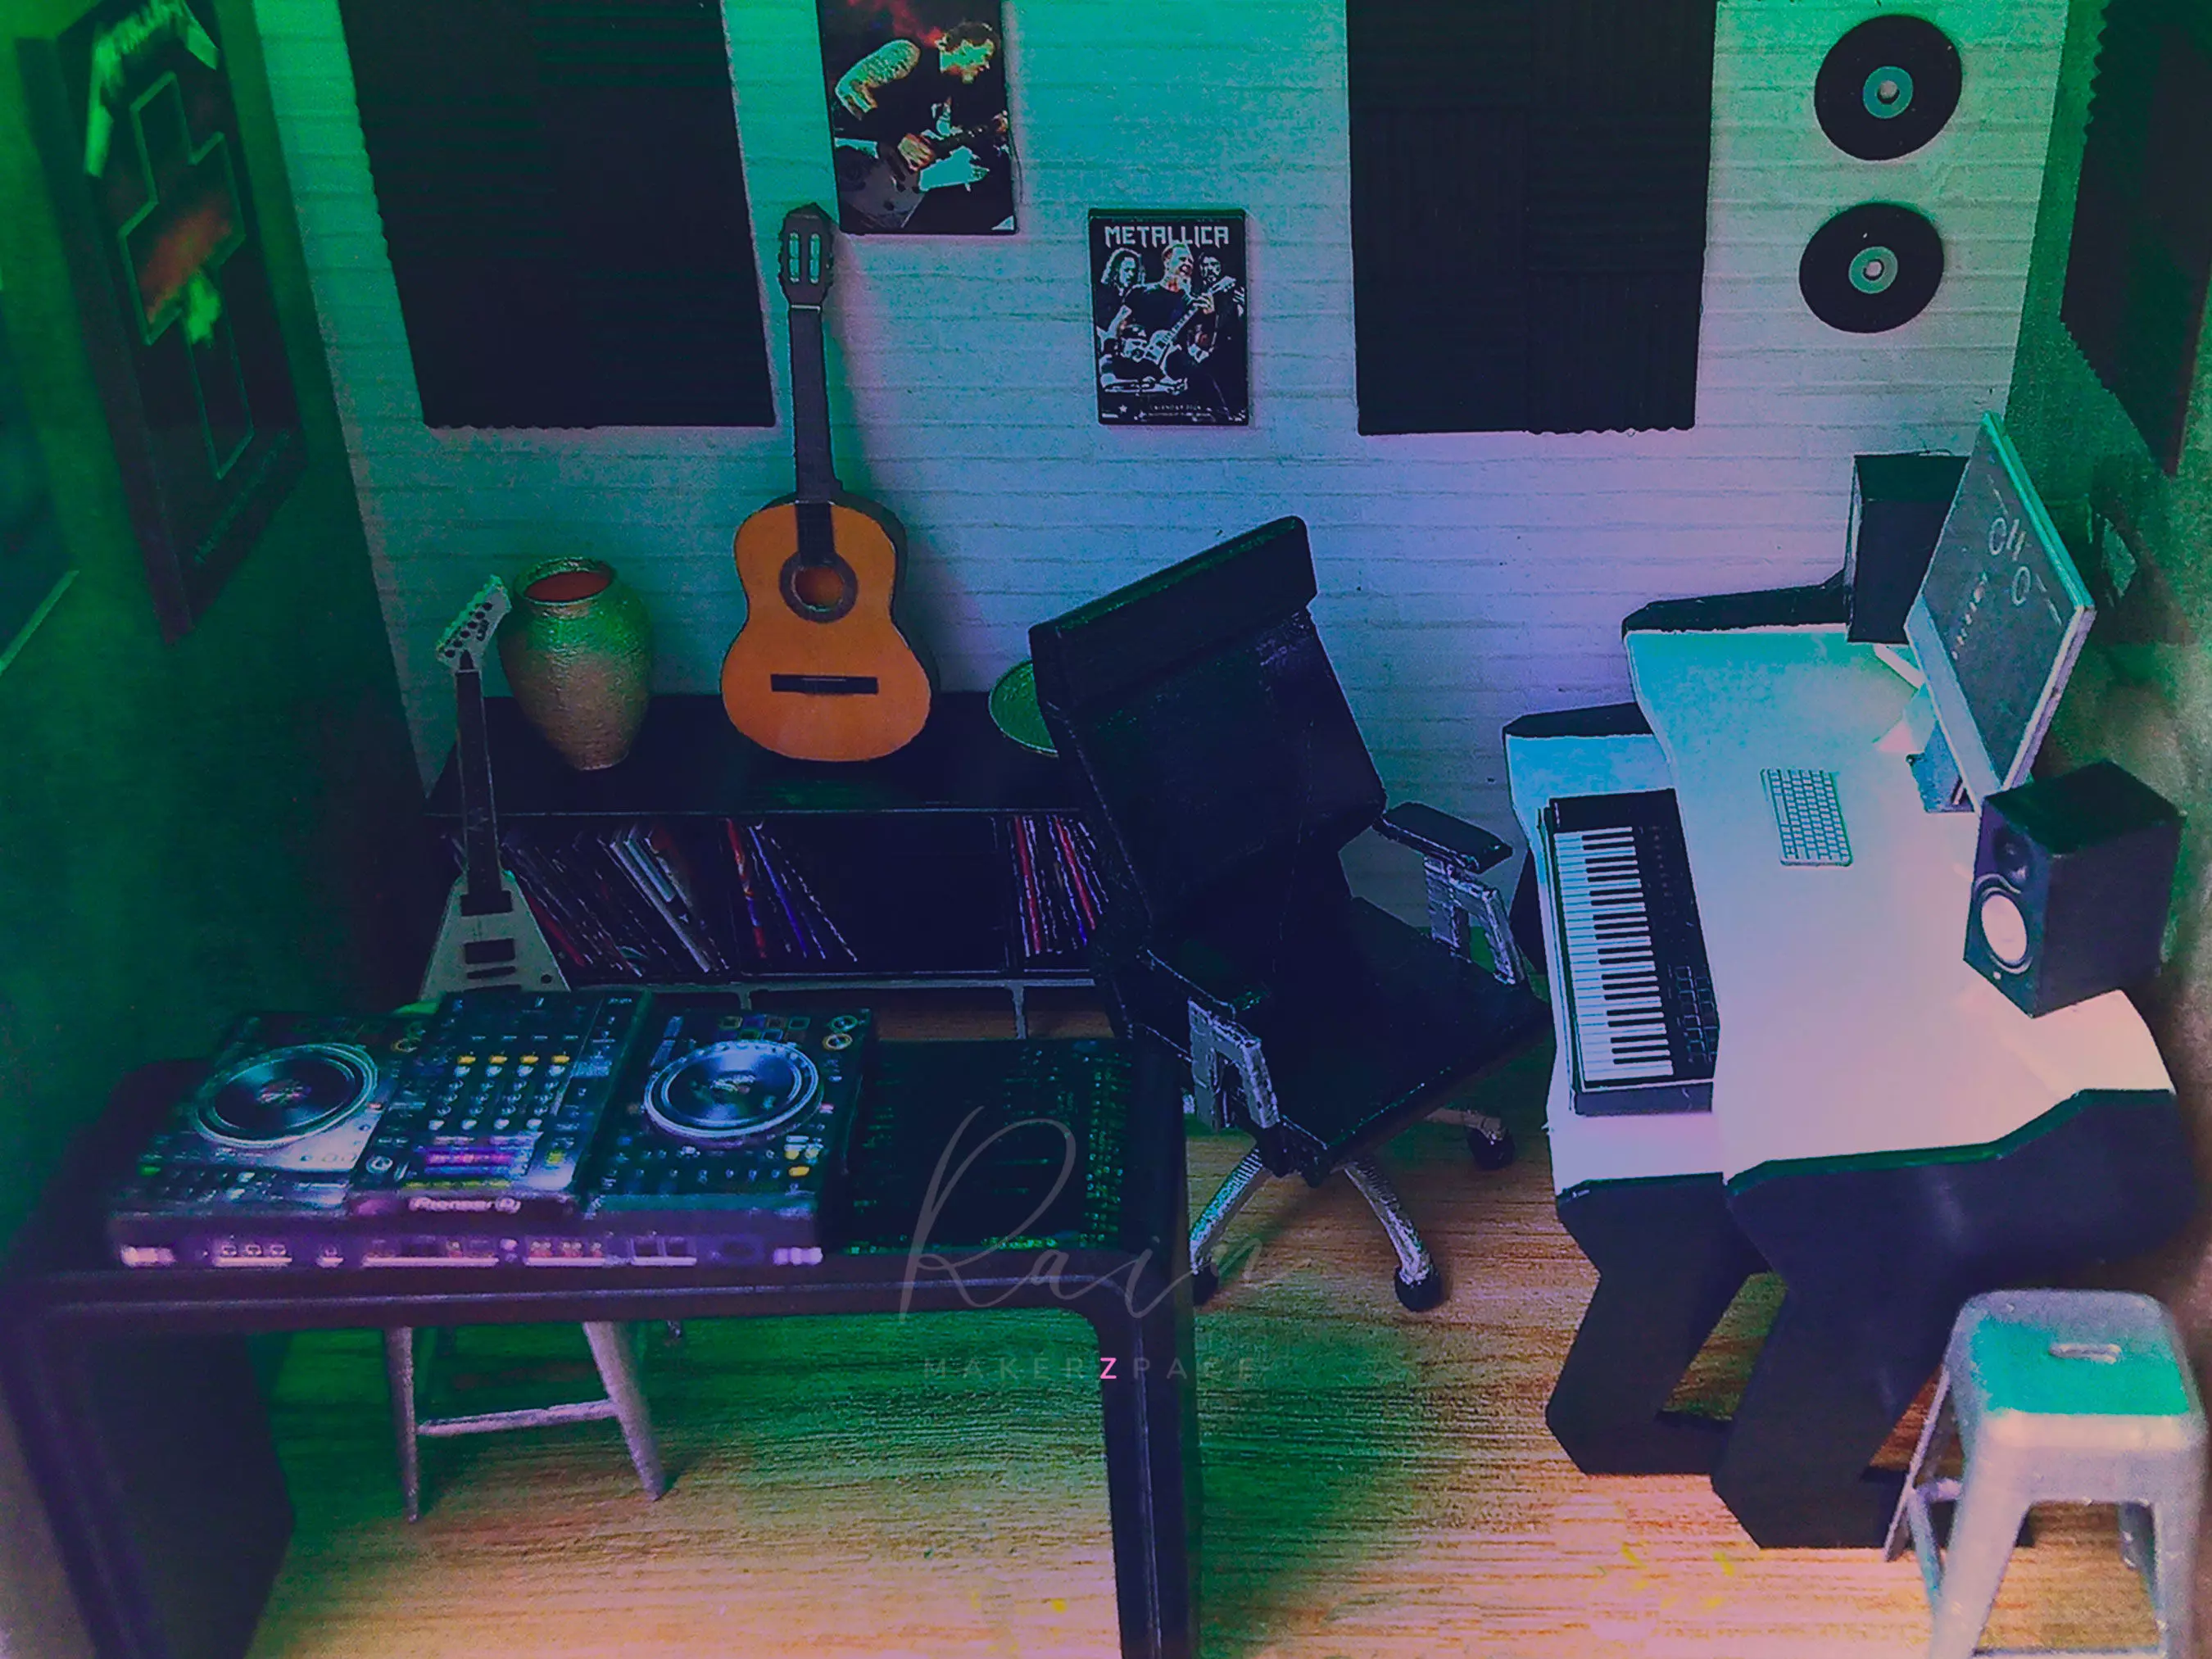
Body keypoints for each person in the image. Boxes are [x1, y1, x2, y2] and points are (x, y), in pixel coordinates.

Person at [829, 21, 1012, 233]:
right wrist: (897, 137)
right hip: (844, 158)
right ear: (966, 45)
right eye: (986, 56)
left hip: (879, 190)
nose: (986, 66)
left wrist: (988, 131)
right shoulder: (908, 53)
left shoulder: (946, 91)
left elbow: (941, 133)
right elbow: (849, 87)